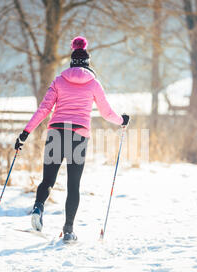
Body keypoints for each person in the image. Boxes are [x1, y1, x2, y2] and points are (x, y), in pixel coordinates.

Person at [15, 36, 130, 243]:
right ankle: (68, 231)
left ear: (71, 60)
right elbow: (106, 113)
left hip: (56, 132)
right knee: (73, 185)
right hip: (79, 136)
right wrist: (122, 120)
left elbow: (44, 110)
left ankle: (38, 207)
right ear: (87, 61)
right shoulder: (94, 84)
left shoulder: (59, 80)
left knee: (48, 180)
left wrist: (25, 132)